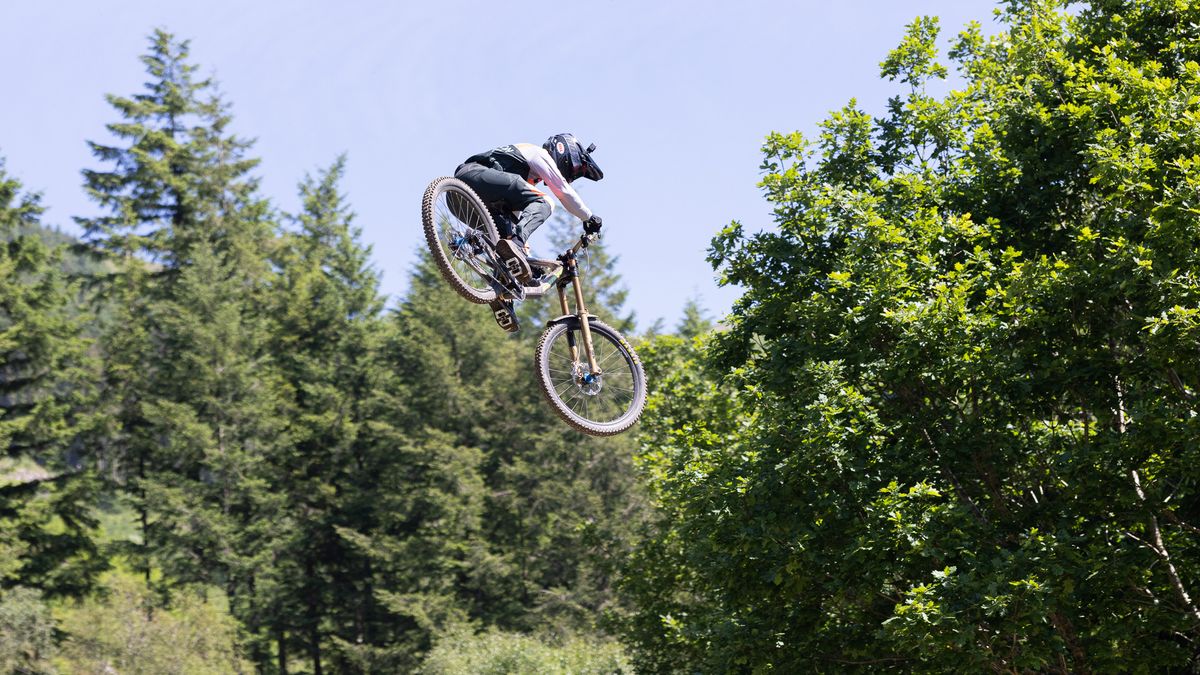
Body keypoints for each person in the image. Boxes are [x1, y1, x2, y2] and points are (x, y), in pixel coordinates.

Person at [454, 133, 604, 332]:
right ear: (565, 153)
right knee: (545, 202)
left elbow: (517, 226)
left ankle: (502, 297)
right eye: (573, 171)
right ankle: (511, 252)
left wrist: (530, 263)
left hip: (459, 199)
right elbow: (563, 191)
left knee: (507, 242)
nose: (570, 175)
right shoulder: (538, 153)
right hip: (474, 175)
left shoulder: (520, 185)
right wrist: (588, 217)